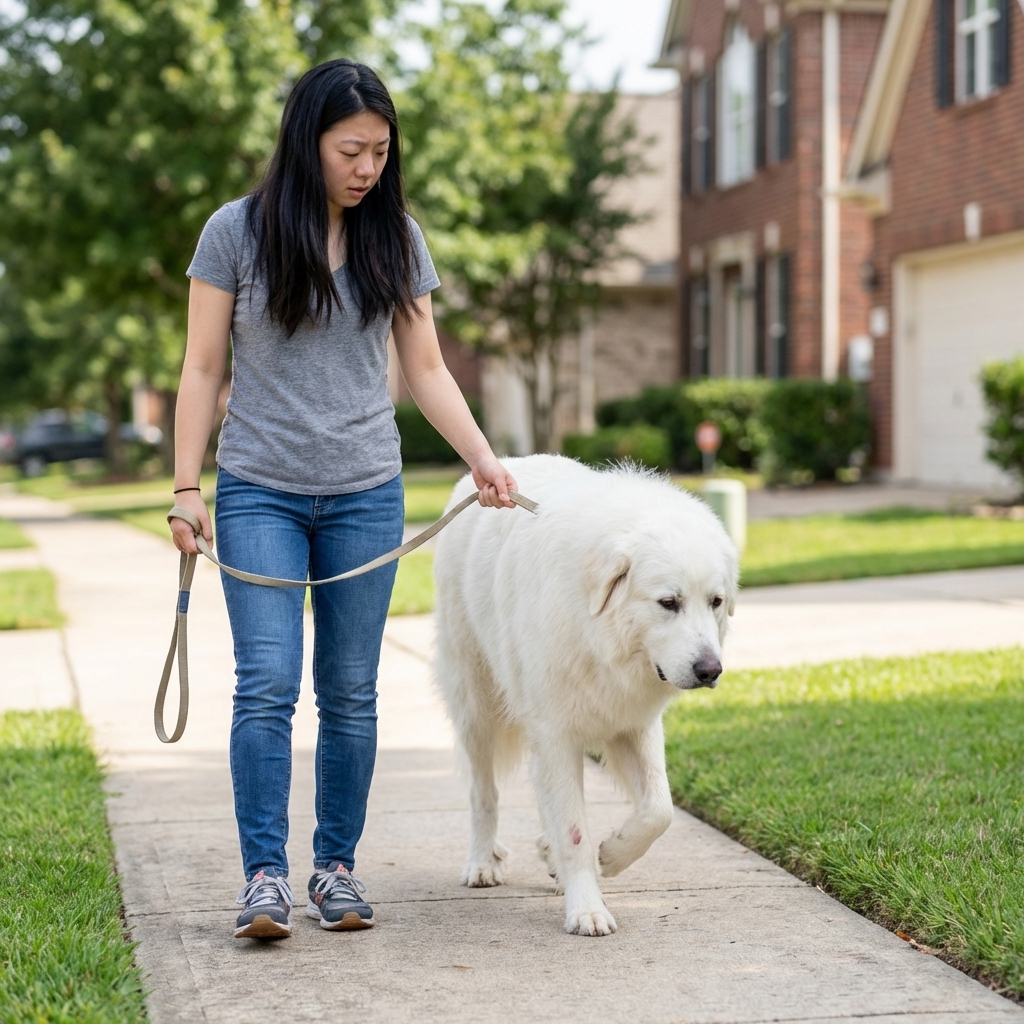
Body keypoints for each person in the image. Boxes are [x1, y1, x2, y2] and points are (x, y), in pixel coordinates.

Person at [170, 58, 518, 940]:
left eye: (380, 152)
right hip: (259, 494)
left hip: (367, 491)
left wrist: (482, 458)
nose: (367, 168)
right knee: (266, 685)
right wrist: (185, 487)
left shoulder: (394, 236)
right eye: (351, 150)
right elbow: (203, 368)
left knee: (352, 691)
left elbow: (428, 367)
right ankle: (263, 879)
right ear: (307, 142)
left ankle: (335, 869)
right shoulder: (234, 234)